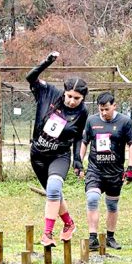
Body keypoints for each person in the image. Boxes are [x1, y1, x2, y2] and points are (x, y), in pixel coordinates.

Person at [27, 51, 88, 247]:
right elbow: (31, 77)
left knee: (54, 189)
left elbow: (79, 136)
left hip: (59, 156)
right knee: (55, 195)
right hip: (38, 155)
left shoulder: (82, 112)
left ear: (83, 98)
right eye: (69, 96)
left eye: (77, 98)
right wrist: (47, 61)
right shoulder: (49, 93)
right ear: (64, 92)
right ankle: (69, 224)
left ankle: (47, 234)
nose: (72, 101)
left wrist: (78, 160)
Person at [79, 92, 132, 250]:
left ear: (114, 106)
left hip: (114, 172)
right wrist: (78, 162)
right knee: (92, 199)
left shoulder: (125, 122)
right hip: (95, 170)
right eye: (101, 110)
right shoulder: (92, 121)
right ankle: (93, 238)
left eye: (106, 109)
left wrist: (131, 167)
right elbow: (84, 142)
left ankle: (110, 237)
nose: (104, 113)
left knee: (112, 205)